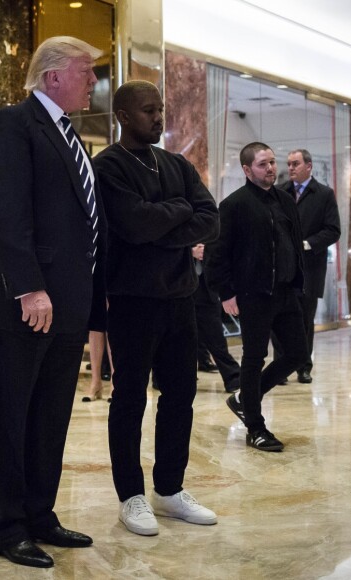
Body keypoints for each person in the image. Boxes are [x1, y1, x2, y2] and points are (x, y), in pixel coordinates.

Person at [0, 37, 107, 569]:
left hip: (68, 303)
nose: (93, 80)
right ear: (52, 77)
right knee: (12, 416)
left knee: (51, 416)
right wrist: (29, 286)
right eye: (86, 71)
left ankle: (41, 515)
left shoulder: (69, 134)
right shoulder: (13, 124)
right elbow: (7, 214)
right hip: (24, 302)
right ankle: (8, 529)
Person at [94, 80, 219, 537]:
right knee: (129, 398)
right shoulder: (108, 166)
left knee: (180, 395)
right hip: (131, 301)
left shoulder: (177, 164)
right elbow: (133, 224)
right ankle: (131, 496)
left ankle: (169, 489)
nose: (159, 117)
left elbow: (211, 218)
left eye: (161, 109)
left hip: (180, 297)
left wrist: (167, 217)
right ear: (124, 115)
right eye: (149, 111)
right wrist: (179, 214)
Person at [205, 142, 309, 452]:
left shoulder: (285, 201)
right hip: (254, 295)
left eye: (273, 162)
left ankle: (244, 399)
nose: (272, 169)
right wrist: (225, 293)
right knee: (253, 358)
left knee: (297, 354)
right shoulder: (234, 205)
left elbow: (292, 243)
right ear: (248, 170)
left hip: (286, 292)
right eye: (263, 164)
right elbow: (217, 252)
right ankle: (255, 427)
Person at [273, 149, 341, 384]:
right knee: (279, 316)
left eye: (296, 164)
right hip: (283, 268)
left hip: (310, 268)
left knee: (304, 318)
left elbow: (333, 230)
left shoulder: (324, 194)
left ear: (309, 166)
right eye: (289, 164)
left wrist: (308, 244)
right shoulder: (280, 192)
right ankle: (280, 366)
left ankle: (303, 366)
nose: (290, 168)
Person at [192, 243, 240, 393]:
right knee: (175, 338)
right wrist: (190, 251)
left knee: (215, 336)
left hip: (207, 288)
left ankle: (233, 377)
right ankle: (163, 378)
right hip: (179, 286)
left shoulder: (213, 220)